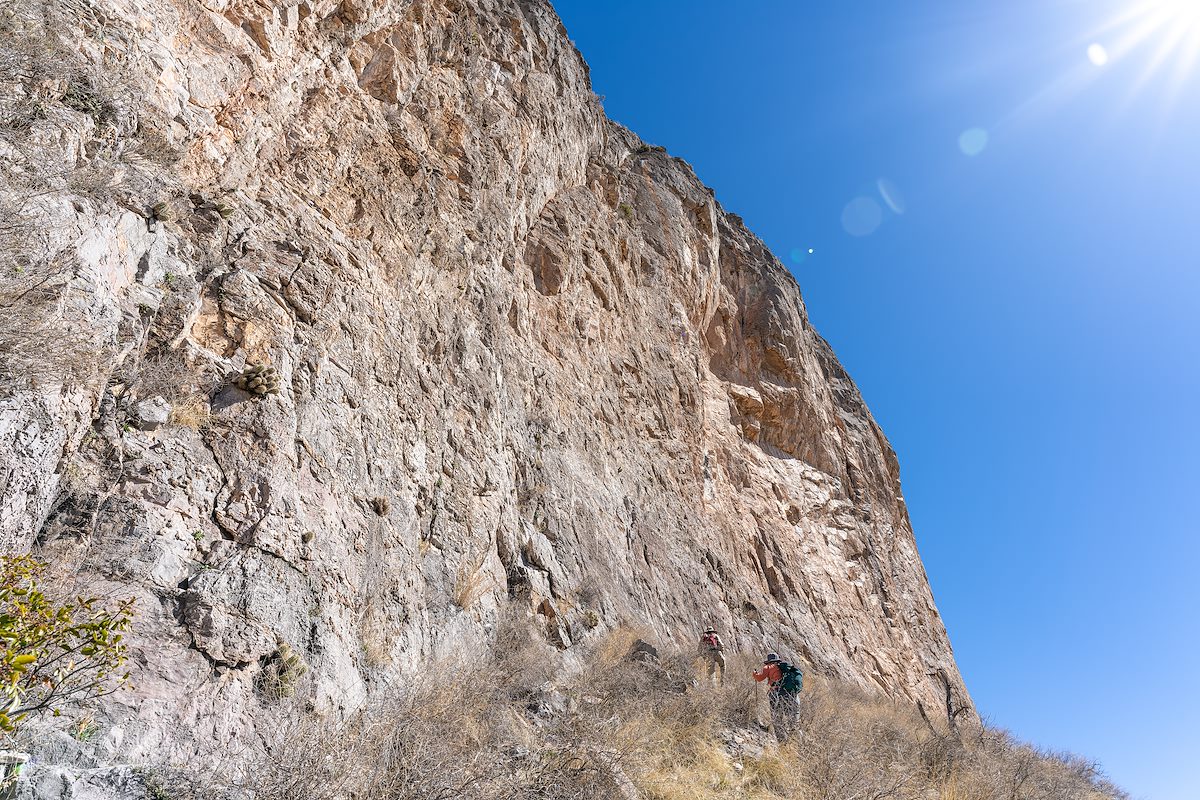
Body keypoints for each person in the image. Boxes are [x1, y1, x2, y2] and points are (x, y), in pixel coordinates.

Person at [753, 652, 802, 736]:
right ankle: (796, 740)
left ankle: (781, 740)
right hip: (793, 694)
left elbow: (759, 678)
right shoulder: (785, 668)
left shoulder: (768, 667)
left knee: (777, 717)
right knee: (794, 719)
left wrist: (754, 674)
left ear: (769, 661)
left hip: (776, 694)